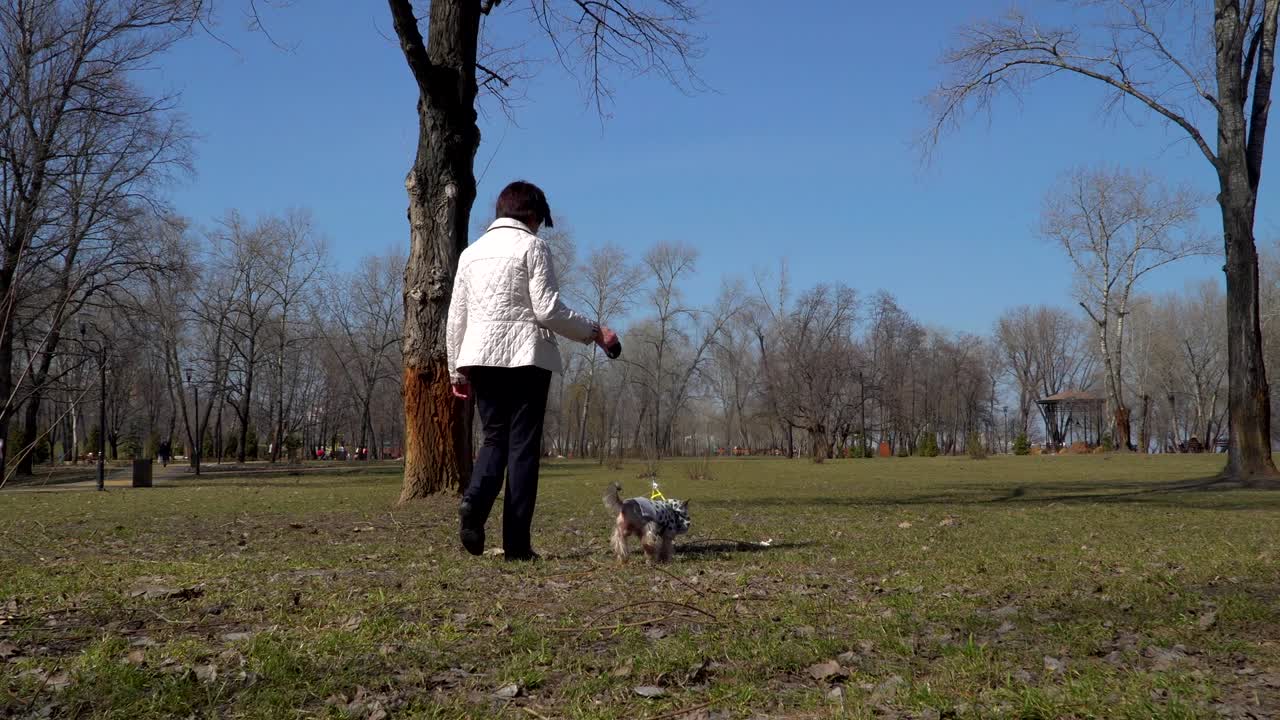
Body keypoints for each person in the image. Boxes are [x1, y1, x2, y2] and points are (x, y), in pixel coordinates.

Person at [448, 180, 620, 562]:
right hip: (526, 357)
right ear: (531, 215)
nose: (540, 227)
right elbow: (546, 310)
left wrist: (455, 372)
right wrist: (595, 332)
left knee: (494, 440)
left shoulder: (470, 254)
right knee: (522, 449)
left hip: (478, 357)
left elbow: (455, 317)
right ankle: (517, 546)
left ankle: (474, 503)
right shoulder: (533, 247)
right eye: (540, 220)